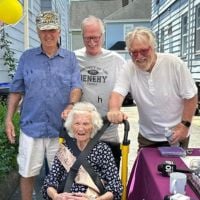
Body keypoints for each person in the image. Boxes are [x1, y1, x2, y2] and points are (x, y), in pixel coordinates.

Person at [5, 11, 82, 200]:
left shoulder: (70, 58)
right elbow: (16, 90)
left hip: (61, 130)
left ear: (59, 32)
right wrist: (8, 119)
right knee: (27, 172)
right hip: (32, 127)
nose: (48, 35)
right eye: (44, 30)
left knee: (64, 175)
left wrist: (72, 104)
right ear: (38, 32)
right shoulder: (27, 58)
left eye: (52, 30)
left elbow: (76, 86)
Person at [107, 27, 198, 150]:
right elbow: (118, 92)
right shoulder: (129, 68)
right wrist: (114, 109)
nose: (139, 57)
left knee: (176, 169)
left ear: (153, 47)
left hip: (177, 134)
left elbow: (191, 97)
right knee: (146, 168)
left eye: (144, 51)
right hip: (147, 137)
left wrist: (185, 125)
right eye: (134, 52)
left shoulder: (174, 63)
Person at [63, 15, 126, 168]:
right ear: (82, 36)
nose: (92, 43)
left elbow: (125, 87)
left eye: (95, 38)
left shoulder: (116, 60)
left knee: (109, 179)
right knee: (76, 179)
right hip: (79, 131)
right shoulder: (73, 58)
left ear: (102, 36)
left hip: (107, 130)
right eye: (87, 38)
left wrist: (117, 110)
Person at [42, 102, 123, 200]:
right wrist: (56, 196)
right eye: (77, 123)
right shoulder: (65, 148)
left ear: (93, 126)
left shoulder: (102, 150)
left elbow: (116, 186)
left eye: (85, 124)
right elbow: (49, 182)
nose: (81, 128)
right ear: (71, 126)